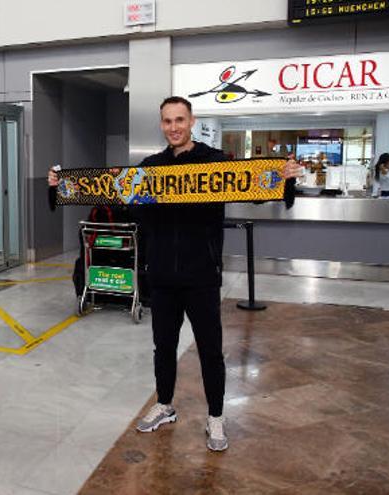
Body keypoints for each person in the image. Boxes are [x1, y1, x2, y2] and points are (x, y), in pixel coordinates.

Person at [130, 96, 300, 451]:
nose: (173, 127)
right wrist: (59, 186)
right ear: (161, 125)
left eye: (179, 119)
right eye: (167, 121)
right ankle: (165, 405)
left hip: (201, 276)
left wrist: (284, 180)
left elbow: (257, 190)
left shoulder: (215, 162)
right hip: (162, 278)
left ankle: (216, 418)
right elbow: (135, 213)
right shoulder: (150, 168)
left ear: (192, 121)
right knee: (163, 347)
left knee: (210, 351)